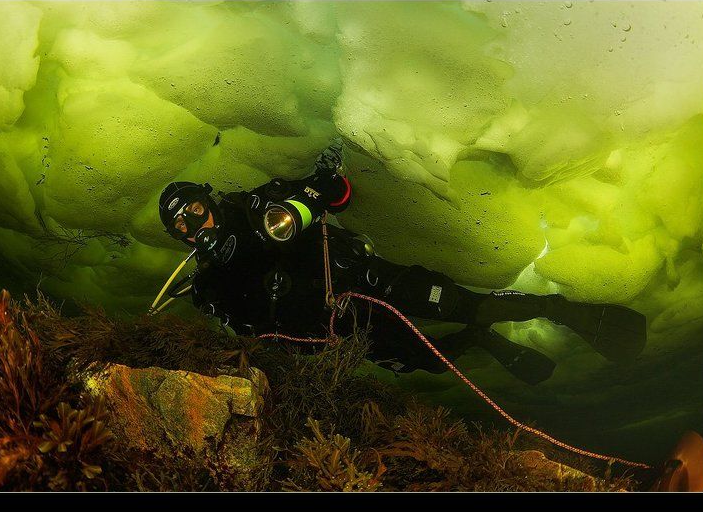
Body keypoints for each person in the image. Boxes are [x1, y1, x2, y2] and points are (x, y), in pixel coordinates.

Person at [157, 140, 647, 385]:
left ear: (210, 200)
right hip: (345, 331)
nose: (194, 226)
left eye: (195, 211)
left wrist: (317, 189)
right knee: (425, 364)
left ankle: (559, 310)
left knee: (467, 306)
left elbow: (339, 195)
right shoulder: (208, 284)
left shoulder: (257, 209)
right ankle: (482, 341)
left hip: (368, 282)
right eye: (180, 226)